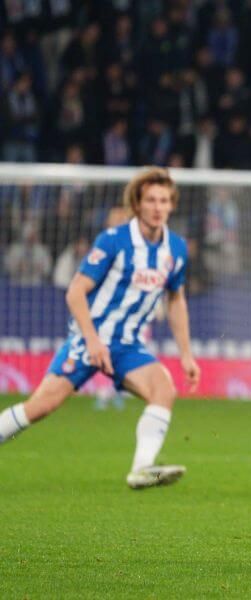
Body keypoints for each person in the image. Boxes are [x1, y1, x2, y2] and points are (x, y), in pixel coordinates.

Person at [0, 168, 199, 489]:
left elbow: (176, 300)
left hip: (128, 346)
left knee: (164, 389)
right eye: (150, 200)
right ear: (136, 204)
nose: (158, 207)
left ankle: (142, 469)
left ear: (172, 205)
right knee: (41, 406)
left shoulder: (175, 249)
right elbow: (75, 291)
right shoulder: (113, 240)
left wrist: (187, 355)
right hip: (89, 340)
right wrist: (93, 341)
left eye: (164, 200)